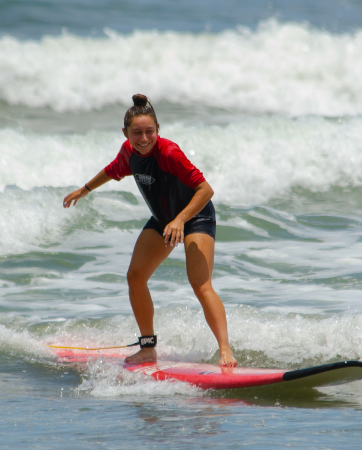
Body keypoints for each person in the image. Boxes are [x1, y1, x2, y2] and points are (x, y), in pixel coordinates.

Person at [63, 94, 237, 367]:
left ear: (158, 130)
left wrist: (180, 220)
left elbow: (206, 190)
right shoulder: (128, 153)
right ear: (126, 133)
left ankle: (226, 350)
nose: (144, 138)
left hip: (196, 216)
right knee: (135, 276)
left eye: (149, 132)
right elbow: (112, 170)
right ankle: (147, 347)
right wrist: (85, 190)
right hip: (163, 220)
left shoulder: (169, 153)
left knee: (200, 284)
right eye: (137, 133)